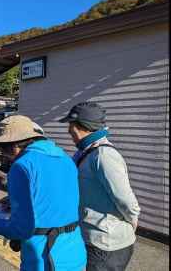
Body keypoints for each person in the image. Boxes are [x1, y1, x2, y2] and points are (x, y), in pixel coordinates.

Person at [0, 115, 87, 271]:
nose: (4, 155)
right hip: (74, 253)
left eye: (3, 149)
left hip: (44, 258)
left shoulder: (21, 166)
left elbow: (21, 228)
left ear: (14, 146)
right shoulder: (65, 158)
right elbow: (54, 198)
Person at [60, 102, 140, 271]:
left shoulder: (104, 155)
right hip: (93, 239)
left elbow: (126, 199)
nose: (68, 131)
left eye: (71, 125)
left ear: (82, 126)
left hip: (107, 244)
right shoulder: (84, 152)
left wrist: (132, 222)